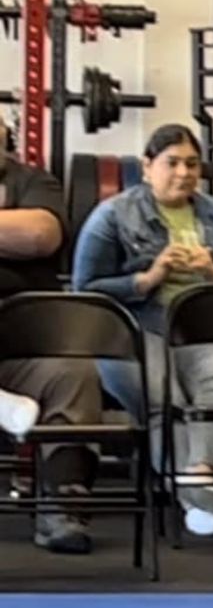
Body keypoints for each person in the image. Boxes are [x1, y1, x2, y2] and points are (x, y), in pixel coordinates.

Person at [74, 123, 213, 538]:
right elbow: (85, 289)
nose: (184, 173)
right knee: (163, 403)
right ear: (147, 166)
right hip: (133, 330)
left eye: (192, 164)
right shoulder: (112, 216)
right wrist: (148, 279)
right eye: (172, 163)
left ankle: (197, 474)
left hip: (204, 331)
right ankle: (201, 499)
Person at [0, 116, 106, 555]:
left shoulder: (33, 182)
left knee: (72, 373)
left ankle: (62, 506)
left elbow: (40, 235)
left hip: (22, 344)